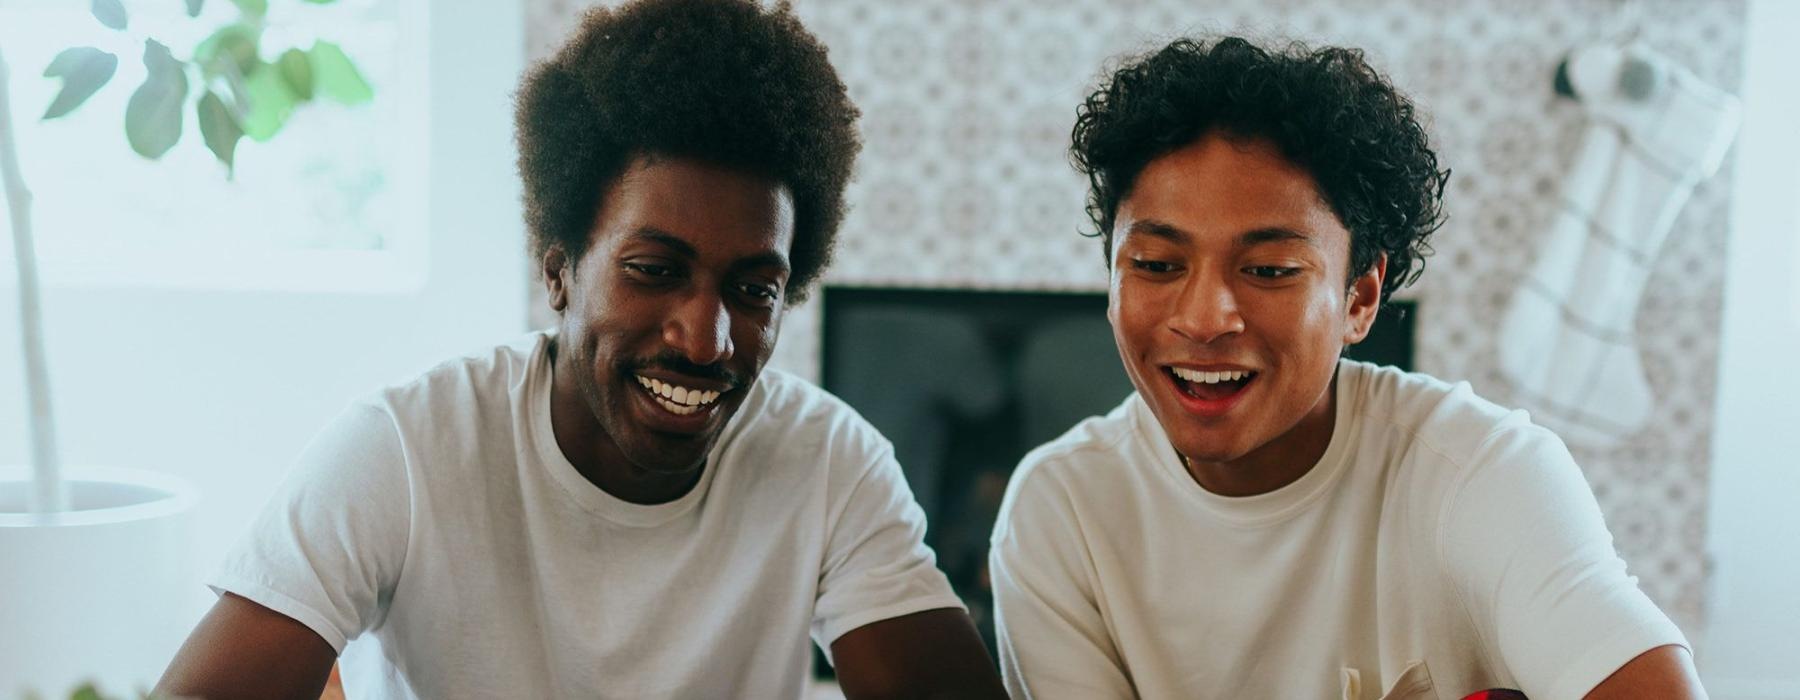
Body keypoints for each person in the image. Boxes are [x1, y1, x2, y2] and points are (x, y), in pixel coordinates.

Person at [155, 1, 1006, 697]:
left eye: (753, 291)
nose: (706, 340)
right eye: (654, 270)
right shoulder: (406, 451)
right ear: (559, 271)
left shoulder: (829, 462)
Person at [988, 36, 1704, 699]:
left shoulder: (1477, 473)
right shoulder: (1064, 512)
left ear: (1359, 298)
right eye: (1156, 265)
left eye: (1269, 269)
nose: (1204, 318)